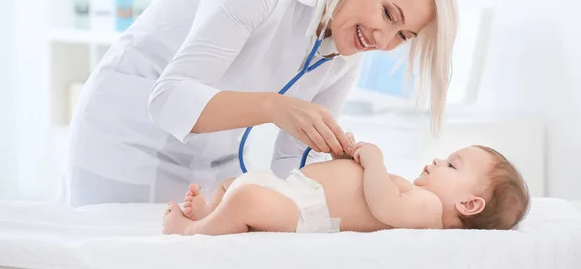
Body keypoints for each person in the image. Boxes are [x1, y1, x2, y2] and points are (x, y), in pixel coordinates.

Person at [60, 0, 458, 206]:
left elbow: (294, 162)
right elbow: (168, 99)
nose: (383, 40)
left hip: (210, 161)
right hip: (128, 139)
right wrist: (275, 107)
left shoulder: (348, 49)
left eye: (402, 35)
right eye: (388, 13)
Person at [162, 140, 530, 235]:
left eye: (452, 165)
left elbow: (383, 206)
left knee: (244, 198)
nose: (436, 161)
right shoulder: (419, 195)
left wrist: (375, 161)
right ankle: (214, 213)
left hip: (307, 211)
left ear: (469, 204)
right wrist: (345, 158)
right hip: (296, 189)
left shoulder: (430, 210)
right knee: (232, 184)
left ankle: (193, 229)